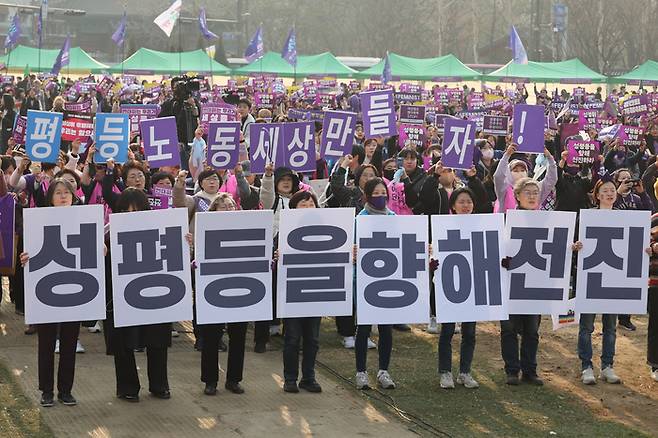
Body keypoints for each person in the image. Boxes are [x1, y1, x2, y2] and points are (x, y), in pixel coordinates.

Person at [103, 188, 187, 402]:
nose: (132, 214)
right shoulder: (107, 232)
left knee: (157, 339)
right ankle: (127, 387)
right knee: (122, 343)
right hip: (120, 296)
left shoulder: (160, 228)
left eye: (138, 209)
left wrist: (185, 241)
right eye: (127, 210)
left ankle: (159, 384)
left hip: (154, 293)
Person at [19, 179, 84, 407]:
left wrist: (100, 248)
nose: (63, 196)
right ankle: (47, 390)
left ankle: (66, 390)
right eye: (58, 193)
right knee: (46, 343)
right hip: (46, 292)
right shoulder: (39, 221)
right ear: (50, 197)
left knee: (69, 342)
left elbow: (94, 249)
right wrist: (25, 258)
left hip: (74, 290)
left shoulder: (83, 219)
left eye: (67, 192)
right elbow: (29, 251)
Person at [500, 156, 557, 386]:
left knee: (532, 330)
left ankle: (530, 370)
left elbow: (554, 247)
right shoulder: (506, 220)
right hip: (511, 281)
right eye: (528, 192)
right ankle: (512, 370)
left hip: (535, 281)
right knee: (509, 329)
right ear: (517, 196)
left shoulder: (547, 221)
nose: (533, 196)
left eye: (536, 193)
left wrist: (570, 247)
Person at [200, 193, 248, 396]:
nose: (229, 209)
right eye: (223, 206)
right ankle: (210, 380)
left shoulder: (246, 230)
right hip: (214, 289)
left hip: (240, 289)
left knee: (238, 336)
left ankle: (233, 379)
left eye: (231, 206)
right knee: (211, 337)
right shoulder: (205, 230)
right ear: (213, 211)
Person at [355, 177, 396, 391]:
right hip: (366, 280)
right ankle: (360, 372)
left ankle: (383, 370)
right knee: (363, 329)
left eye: (383, 193)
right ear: (367, 196)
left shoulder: (393, 217)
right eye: (376, 193)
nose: (380, 197)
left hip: (388, 278)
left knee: (386, 328)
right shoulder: (360, 219)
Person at [438, 187, 481, 390]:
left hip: (472, 285)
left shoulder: (481, 227)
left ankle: (465, 372)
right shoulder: (443, 226)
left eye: (469, 201)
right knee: (447, 330)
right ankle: (445, 372)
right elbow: (435, 251)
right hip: (449, 285)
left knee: (470, 332)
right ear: (453, 206)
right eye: (461, 201)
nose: (466, 205)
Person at [282, 191, 323, 394]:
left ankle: (309, 377)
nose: (307, 207)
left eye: (311, 204)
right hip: (293, 290)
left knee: (312, 338)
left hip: (315, 289)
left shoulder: (326, 229)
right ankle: (290, 378)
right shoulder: (285, 229)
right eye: (303, 204)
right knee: (292, 337)